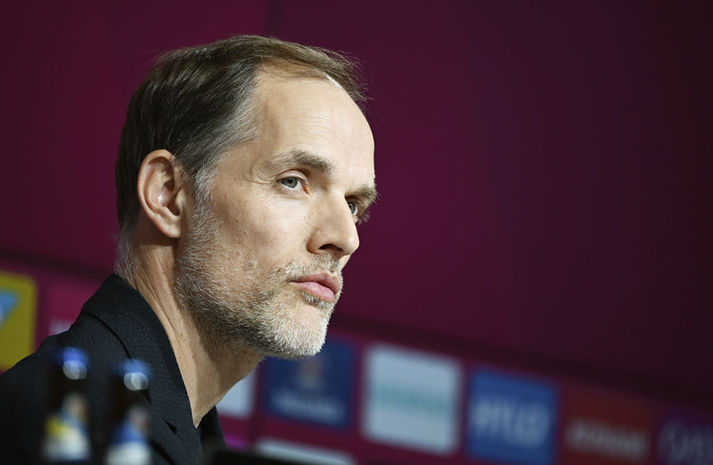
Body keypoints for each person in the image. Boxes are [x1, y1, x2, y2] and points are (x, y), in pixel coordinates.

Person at [0, 35, 376, 465]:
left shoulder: (167, 429)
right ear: (168, 195)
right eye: (293, 181)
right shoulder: (84, 428)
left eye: (353, 204)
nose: (346, 238)